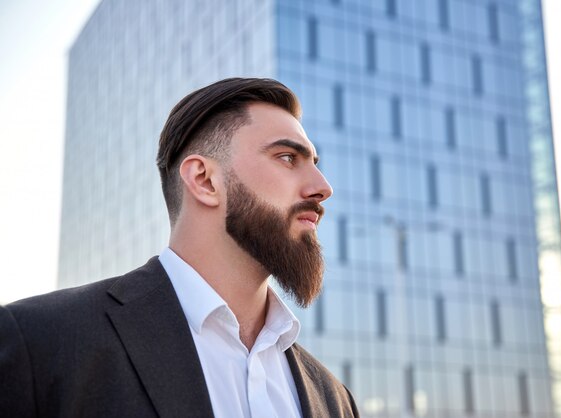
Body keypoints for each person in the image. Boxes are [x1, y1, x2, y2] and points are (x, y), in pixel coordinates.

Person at [0, 78, 360, 417]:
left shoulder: (334, 399)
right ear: (204, 180)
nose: (322, 187)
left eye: (314, 163)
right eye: (287, 158)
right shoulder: (40, 342)